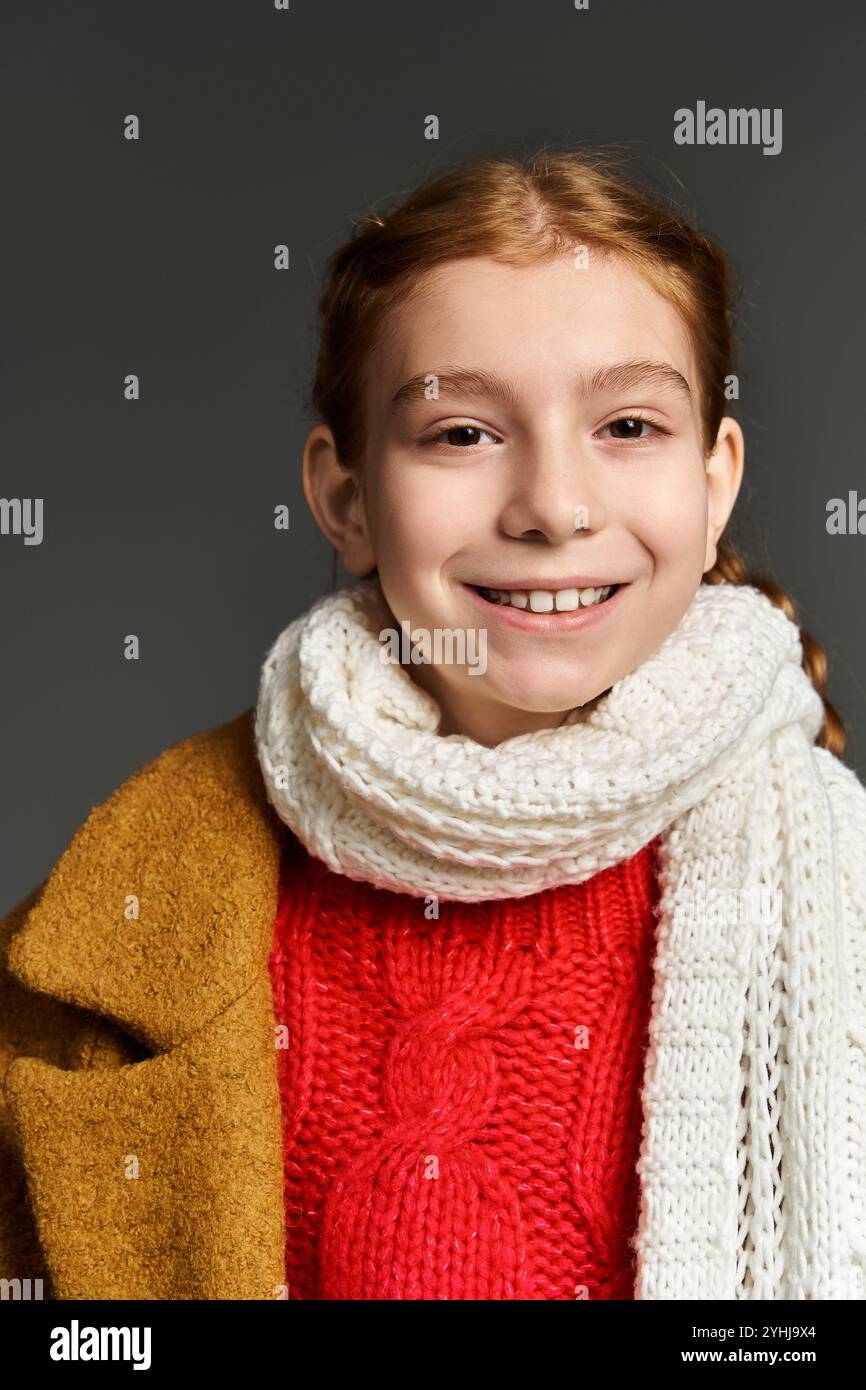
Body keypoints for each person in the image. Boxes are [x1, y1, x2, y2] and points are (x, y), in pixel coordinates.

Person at [2, 148, 864, 1301]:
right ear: (346, 497)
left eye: (626, 425)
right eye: (461, 432)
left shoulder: (830, 891)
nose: (553, 506)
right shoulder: (131, 905)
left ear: (712, 485)